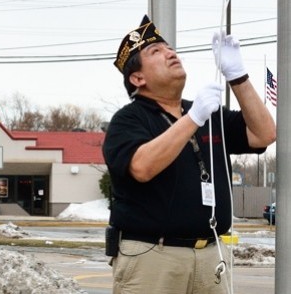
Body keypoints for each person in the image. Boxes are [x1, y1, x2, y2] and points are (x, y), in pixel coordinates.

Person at [102, 15, 276, 293]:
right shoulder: (128, 120)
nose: (170, 53)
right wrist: (193, 119)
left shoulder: (205, 112)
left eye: (169, 48)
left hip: (209, 253)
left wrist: (238, 76)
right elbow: (141, 166)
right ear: (138, 78)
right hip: (152, 256)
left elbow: (263, 134)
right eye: (155, 52)